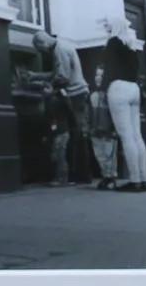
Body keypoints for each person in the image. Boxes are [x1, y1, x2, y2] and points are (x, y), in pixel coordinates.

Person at [32, 29, 99, 185]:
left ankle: (78, 176)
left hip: (75, 95)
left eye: (41, 49)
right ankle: (82, 176)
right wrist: (36, 76)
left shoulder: (58, 50)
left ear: (43, 43)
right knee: (78, 134)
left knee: (77, 135)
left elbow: (62, 77)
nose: (43, 52)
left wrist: (47, 86)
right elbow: (59, 72)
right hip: (77, 94)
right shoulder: (62, 45)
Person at [98, 26, 146, 193]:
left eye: (108, 29)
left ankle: (134, 180)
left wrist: (102, 90)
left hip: (118, 88)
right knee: (137, 136)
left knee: (126, 136)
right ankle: (144, 179)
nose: (106, 32)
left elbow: (107, 68)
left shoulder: (113, 43)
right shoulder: (131, 46)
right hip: (134, 89)